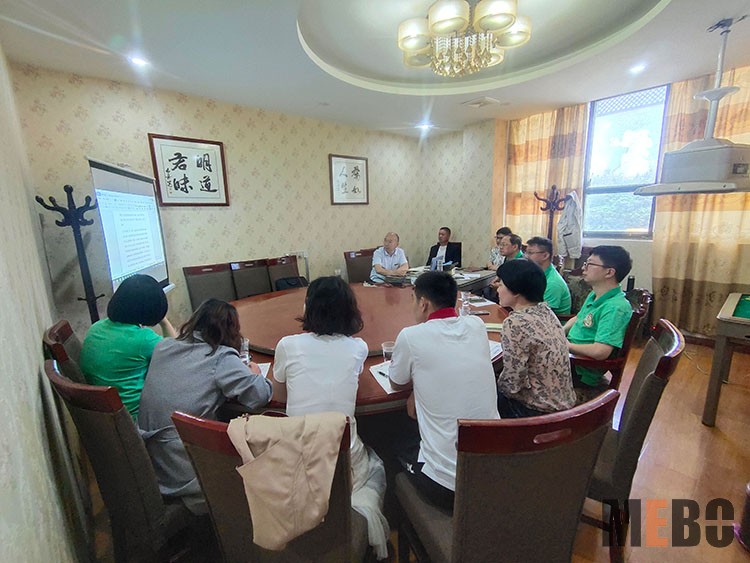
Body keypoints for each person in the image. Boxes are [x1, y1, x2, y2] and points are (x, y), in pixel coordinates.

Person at [272, 276, 389, 559]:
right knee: (375, 457)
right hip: (343, 465)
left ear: (309, 307)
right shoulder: (358, 348)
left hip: (297, 465)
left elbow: (279, 394)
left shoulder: (287, 345)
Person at [138, 299, 272, 514]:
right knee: (262, 454)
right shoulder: (219, 356)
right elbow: (260, 396)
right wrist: (255, 374)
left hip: (152, 463)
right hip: (186, 470)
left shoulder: (163, 346)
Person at [388, 271, 500, 511]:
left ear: (423, 303)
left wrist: (415, 387)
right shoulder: (476, 325)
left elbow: (396, 383)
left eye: (413, 299)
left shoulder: (411, 336)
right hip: (492, 470)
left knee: (391, 437)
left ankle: (402, 518)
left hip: (447, 487)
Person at [79, 274, 176, 418]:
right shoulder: (144, 339)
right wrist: (164, 322)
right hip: (136, 417)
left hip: (104, 415)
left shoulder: (96, 328)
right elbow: (175, 354)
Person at [494, 260, 575, 418]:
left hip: (537, 411)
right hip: (563, 403)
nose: (498, 289)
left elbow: (513, 381)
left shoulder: (515, 323)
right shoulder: (546, 311)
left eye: (501, 284)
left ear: (516, 291)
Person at [564, 245, 633, 389]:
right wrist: (559, 332)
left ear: (609, 272)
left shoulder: (615, 307)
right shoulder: (595, 294)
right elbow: (578, 318)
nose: (584, 268)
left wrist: (565, 346)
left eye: (590, 264)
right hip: (569, 358)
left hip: (578, 370)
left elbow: (600, 352)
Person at [525, 236, 572, 316]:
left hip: (550, 321)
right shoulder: (535, 274)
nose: (526, 256)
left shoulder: (553, 283)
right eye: (526, 252)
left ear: (545, 256)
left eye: (530, 253)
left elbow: (543, 315)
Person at [487, 233, 525, 300]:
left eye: (504, 245)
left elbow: (517, 288)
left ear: (515, 247)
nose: (501, 247)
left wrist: (500, 286)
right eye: (500, 245)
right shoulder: (508, 258)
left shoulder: (523, 263)